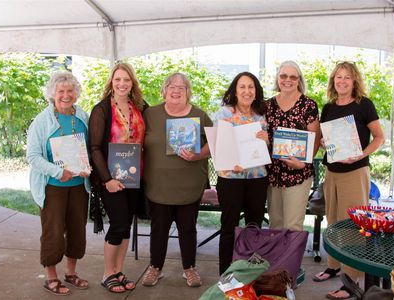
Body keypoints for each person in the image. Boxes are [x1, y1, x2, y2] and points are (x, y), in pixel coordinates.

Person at [313, 61, 384, 300]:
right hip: (331, 172)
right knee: (332, 221)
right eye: (338, 77)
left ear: (354, 82)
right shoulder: (329, 108)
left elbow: (379, 137)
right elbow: (325, 139)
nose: (341, 81)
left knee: (353, 225)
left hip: (355, 173)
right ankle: (333, 266)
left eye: (347, 78)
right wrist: (324, 143)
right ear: (333, 80)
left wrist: (361, 153)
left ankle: (351, 280)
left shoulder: (364, 105)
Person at [141, 72, 212, 287]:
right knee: (159, 228)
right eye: (171, 86)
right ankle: (155, 268)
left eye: (181, 87)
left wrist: (199, 154)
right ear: (164, 90)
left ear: (188, 92)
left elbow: (215, 143)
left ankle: (189, 268)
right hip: (158, 184)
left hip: (189, 185)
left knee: (187, 228)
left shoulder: (200, 115)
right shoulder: (150, 114)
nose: (176, 90)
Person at [26, 71, 90, 296]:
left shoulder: (82, 116)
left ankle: (71, 274)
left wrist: (87, 167)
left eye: (70, 90)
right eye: (61, 91)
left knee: (77, 230)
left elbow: (89, 148)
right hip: (53, 187)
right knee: (52, 232)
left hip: (79, 187)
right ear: (52, 93)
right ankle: (51, 277)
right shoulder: (42, 121)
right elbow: (33, 156)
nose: (66, 95)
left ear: (76, 93)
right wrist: (57, 171)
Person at [89, 62, 148, 293]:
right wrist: (107, 180)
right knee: (118, 223)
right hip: (111, 179)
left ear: (132, 83)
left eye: (126, 79)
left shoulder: (140, 107)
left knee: (126, 227)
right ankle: (107, 273)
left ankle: (118, 271)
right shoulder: (102, 109)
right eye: (118, 79)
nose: (122, 84)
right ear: (111, 83)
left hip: (134, 178)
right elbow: (94, 148)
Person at [213, 71, 270, 275]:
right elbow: (217, 146)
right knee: (229, 227)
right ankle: (226, 274)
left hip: (257, 178)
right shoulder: (224, 114)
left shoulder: (260, 115)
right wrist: (230, 161)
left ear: (256, 91)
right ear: (235, 91)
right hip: (231, 179)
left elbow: (265, 149)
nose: (247, 91)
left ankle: (249, 273)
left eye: (251, 87)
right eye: (242, 87)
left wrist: (266, 140)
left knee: (254, 228)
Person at [265, 61, 320, 232]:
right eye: (283, 76)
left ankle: (290, 259)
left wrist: (304, 162)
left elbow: (316, 138)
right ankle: (276, 259)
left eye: (292, 76)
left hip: (298, 173)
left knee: (293, 226)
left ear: (299, 80)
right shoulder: (268, 105)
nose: (287, 80)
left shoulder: (308, 105)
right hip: (273, 173)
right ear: (278, 78)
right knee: (275, 225)